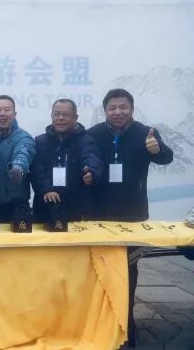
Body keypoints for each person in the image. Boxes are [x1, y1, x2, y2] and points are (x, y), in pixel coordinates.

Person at [87, 88, 173, 346]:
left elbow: (167, 158)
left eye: (123, 107)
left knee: (128, 271)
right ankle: (101, 322)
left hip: (132, 215)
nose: (118, 112)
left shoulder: (146, 133)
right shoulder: (94, 134)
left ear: (132, 109)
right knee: (99, 270)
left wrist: (157, 149)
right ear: (105, 111)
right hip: (99, 214)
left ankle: (126, 322)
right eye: (112, 108)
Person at [32, 99, 103, 222]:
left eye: (65, 114)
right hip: (46, 207)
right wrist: (47, 189)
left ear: (75, 117)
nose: (60, 118)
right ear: (51, 116)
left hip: (77, 209)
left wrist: (91, 171)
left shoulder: (86, 140)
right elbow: (36, 170)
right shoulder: (40, 141)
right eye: (56, 114)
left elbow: (91, 157)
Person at [0, 95, 35, 221]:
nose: (2, 113)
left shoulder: (23, 138)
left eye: (7, 110)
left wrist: (18, 168)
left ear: (14, 114)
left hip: (14, 208)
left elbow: (23, 153)